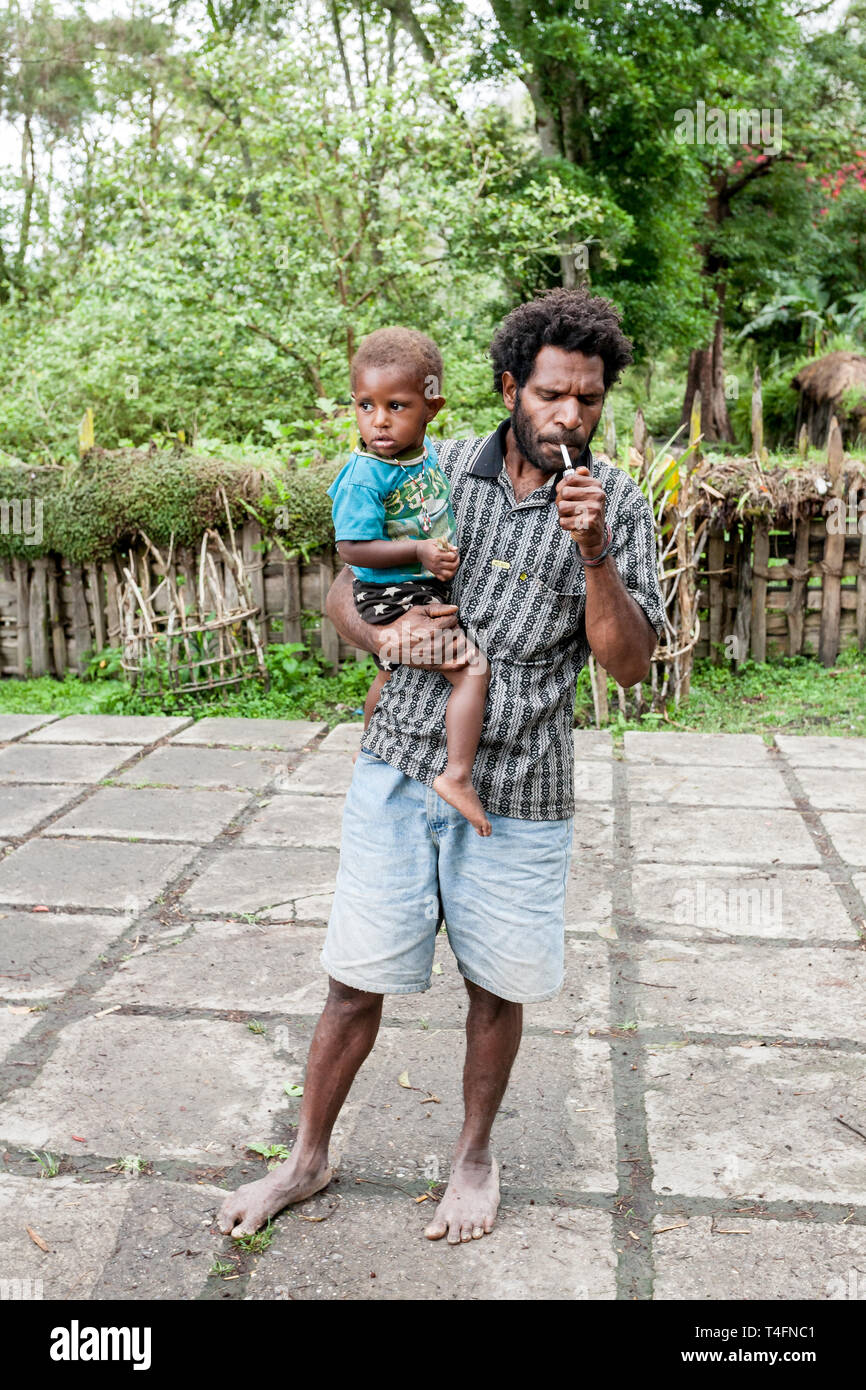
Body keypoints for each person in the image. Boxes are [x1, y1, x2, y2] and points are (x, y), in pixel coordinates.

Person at [218, 287, 665, 1246]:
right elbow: (345, 587)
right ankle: (307, 1155)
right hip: (398, 764)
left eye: (587, 400)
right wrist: (387, 645)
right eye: (550, 394)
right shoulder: (431, 466)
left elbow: (629, 666)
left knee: (496, 988)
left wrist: (596, 556)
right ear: (510, 388)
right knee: (353, 978)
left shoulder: (617, 502)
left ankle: (472, 1154)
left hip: (523, 790)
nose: (569, 417)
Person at [326, 327, 491, 835]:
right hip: (391, 593)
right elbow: (351, 549)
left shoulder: (424, 457)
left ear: (432, 408)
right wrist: (420, 551)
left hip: (414, 586)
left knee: (391, 672)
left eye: (395, 406)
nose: (378, 420)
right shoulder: (364, 475)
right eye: (365, 406)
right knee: (471, 669)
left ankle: (366, 746)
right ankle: (457, 775)